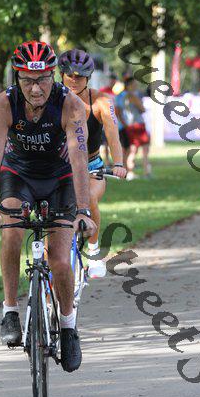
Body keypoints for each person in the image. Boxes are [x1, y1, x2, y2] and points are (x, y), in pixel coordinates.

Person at [0, 41, 96, 373]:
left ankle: (69, 327)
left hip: (60, 178)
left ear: (53, 75)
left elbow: (79, 160)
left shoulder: (71, 104)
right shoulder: (3, 104)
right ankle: (10, 311)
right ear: (17, 77)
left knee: (59, 259)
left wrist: (83, 210)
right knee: (11, 233)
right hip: (19, 175)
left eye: (42, 79)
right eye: (27, 80)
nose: (35, 88)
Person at [58, 50, 126, 279]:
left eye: (80, 76)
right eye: (69, 75)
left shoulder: (101, 102)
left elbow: (113, 136)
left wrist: (118, 163)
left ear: (88, 78)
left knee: (88, 196)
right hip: (60, 166)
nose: (74, 80)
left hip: (91, 165)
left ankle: (94, 252)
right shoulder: (51, 100)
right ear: (61, 75)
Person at [115, 76, 151, 180]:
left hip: (127, 126)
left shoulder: (119, 96)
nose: (136, 86)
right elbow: (142, 109)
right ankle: (144, 172)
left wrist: (125, 125)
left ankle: (127, 172)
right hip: (137, 125)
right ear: (129, 85)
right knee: (139, 149)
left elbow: (118, 112)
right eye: (134, 84)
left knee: (129, 150)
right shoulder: (132, 96)